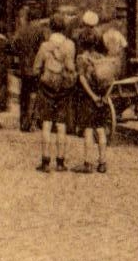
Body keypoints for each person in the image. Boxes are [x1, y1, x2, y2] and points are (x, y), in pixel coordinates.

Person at [31, 11, 76, 172]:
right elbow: (72, 67)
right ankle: (61, 161)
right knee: (62, 125)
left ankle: (45, 161)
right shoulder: (70, 45)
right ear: (64, 28)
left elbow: (36, 69)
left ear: (50, 27)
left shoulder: (45, 46)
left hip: (47, 87)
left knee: (46, 124)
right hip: (63, 88)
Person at [73, 10, 112, 174]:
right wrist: (105, 96)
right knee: (101, 129)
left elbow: (81, 79)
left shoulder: (82, 59)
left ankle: (88, 163)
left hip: (88, 97)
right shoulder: (102, 60)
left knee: (88, 129)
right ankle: (102, 162)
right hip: (103, 96)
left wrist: (93, 96)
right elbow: (111, 79)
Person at [13, 4, 47, 132]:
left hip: (24, 67)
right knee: (36, 95)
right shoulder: (39, 31)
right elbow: (42, 49)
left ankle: (23, 122)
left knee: (24, 95)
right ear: (37, 18)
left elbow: (14, 45)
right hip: (36, 68)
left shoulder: (21, 30)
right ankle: (33, 121)